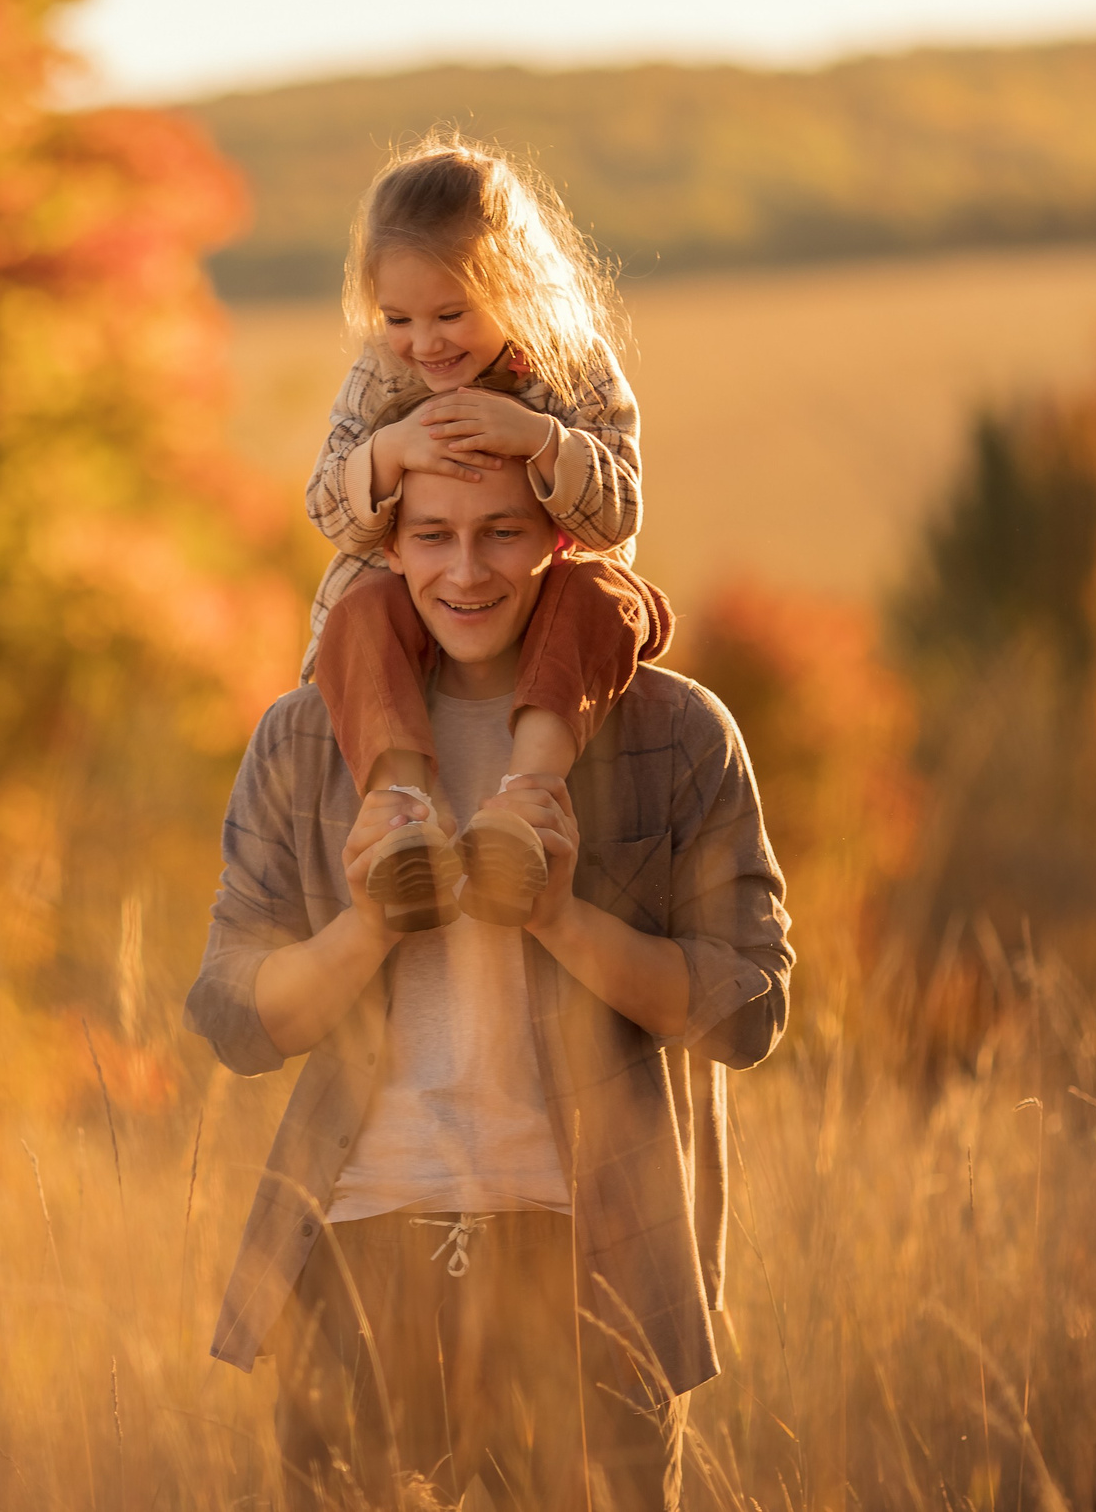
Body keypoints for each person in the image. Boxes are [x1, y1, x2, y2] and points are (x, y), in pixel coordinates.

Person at [186, 456, 794, 1511]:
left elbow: (748, 1013)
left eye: (501, 532)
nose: (465, 571)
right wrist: (371, 923)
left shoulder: (679, 732)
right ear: (386, 547)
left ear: (561, 537)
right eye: (432, 536)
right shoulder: (301, 737)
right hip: (355, 1250)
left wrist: (558, 916)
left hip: (590, 1261)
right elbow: (236, 1018)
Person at [303, 135, 670, 939]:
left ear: (513, 285)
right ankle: (404, 823)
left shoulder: (574, 367)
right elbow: (325, 505)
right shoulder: (380, 375)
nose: (424, 342)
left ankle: (523, 808)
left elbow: (619, 515)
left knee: (605, 595)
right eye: (398, 317)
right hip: (411, 609)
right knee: (359, 611)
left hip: (544, 599)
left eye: (450, 313)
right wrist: (389, 452)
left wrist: (538, 438)